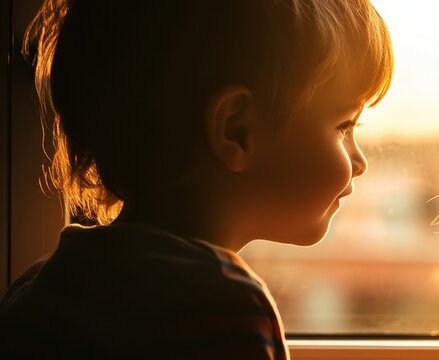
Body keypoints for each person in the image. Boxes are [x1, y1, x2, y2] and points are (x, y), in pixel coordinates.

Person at [0, 0, 393, 358]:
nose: (359, 162)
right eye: (343, 126)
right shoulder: (222, 307)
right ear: (237, 130)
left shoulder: (41, 286)